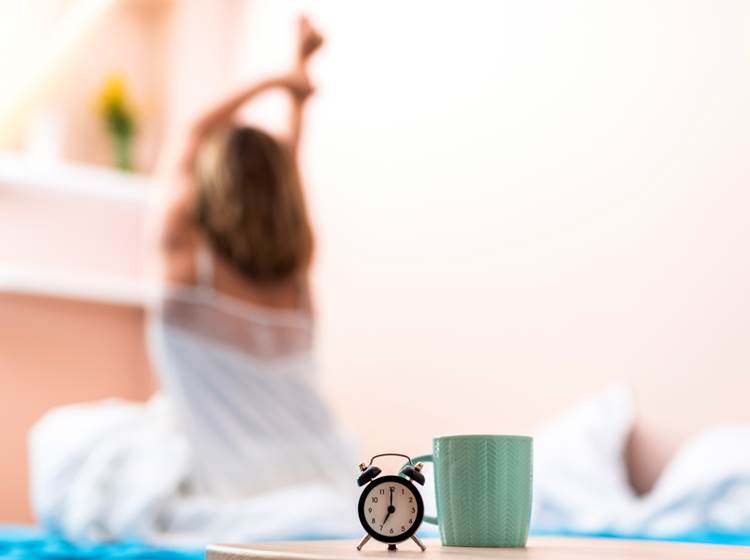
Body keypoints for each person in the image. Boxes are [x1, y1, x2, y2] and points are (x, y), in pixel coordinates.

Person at [29, 17, 357, 546]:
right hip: (316, 469)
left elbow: (193, 132)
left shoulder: (185, 261)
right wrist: (300, 88)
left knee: (62, 440)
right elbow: (287, 173)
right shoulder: (293, 279)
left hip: (227, 481)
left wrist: (281, 80)